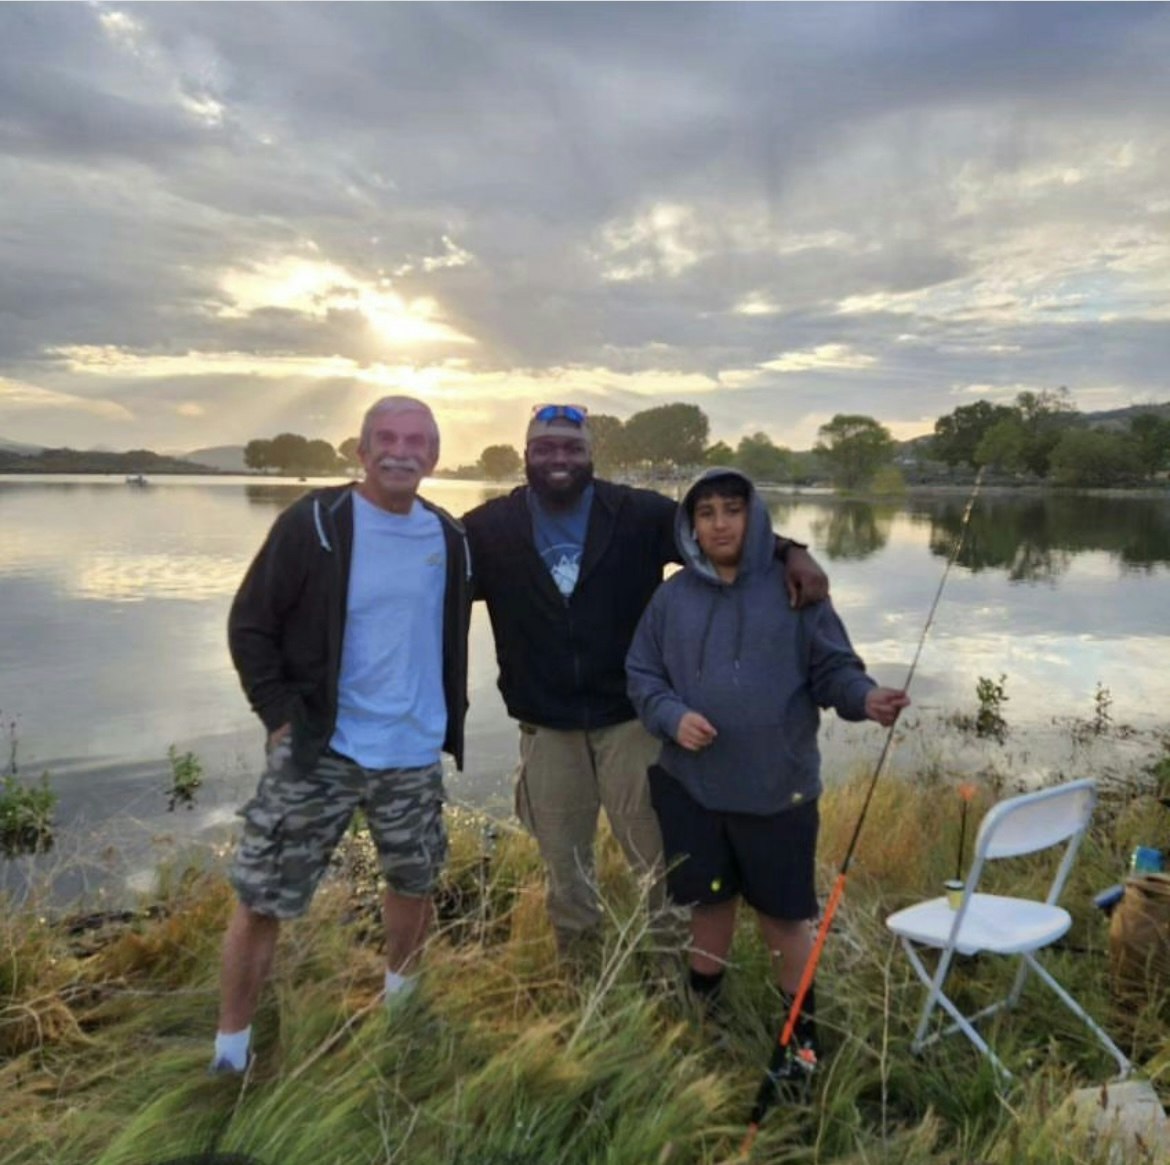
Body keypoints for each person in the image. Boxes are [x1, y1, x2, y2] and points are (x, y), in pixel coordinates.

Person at [461, 407, 829, 965]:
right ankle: (582, 982)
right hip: (545, 729)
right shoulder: (489, 528)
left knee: (660, 867)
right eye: (546, 447)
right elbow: (426, 582)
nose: (559, 458)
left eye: (572, 447)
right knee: (567, 874)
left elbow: (720, 538)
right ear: (526, 455)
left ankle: (670, 985)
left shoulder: (635, 513)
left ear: (590, 455)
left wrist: (792, 552)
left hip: (632, 722)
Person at [211, 396, 472, 1074]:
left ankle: (402, 1008)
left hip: (413, 751)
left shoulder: (448, 536)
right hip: (320, 749)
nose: (400, 450)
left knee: (412, 882)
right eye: (385, 437)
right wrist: (280, 715)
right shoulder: (315, 523)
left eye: (416, 440)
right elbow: (250, 624)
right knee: (264, 896)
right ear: (359, 451)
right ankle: (231, 1051)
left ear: (434, 456)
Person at [625, 467, 908, 1065]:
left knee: (785, 919)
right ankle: (705, 1019)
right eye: (707, 514)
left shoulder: (796, 591)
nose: (721, 523)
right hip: (691, 789)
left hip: (779, 793)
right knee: (708, 907)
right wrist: (671, 717)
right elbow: (642, 675)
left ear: (755, 520)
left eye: (733, 509)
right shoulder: (670, 596)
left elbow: (834, 672)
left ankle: (800, 1041)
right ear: (691, 528)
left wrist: (866, 698)